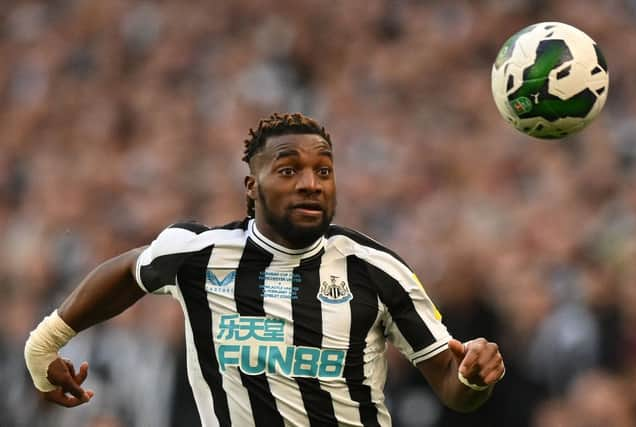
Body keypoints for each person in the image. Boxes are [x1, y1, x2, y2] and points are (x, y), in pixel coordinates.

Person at [24, 113, 505, 426]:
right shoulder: (199, 255)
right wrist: (44, 344)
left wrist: (472, 378)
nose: (311, 184)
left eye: (324, 170)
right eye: (289, 170)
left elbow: (449, 382)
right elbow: (130, 272)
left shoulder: (376, 269)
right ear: (252, 186)